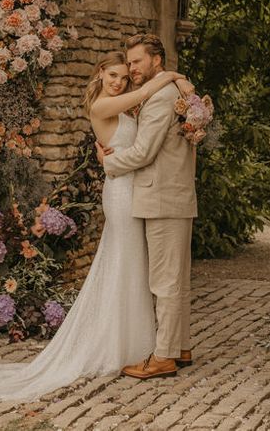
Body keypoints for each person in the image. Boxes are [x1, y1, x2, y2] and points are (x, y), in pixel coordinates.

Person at [0, 51, 192, 403]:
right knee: (124, 264)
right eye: (113, 74)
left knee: (134, 266)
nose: (119, 81)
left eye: (124, 77)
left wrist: (178, 88)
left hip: (134, 187)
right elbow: (145, 97)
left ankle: (141, 342)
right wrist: (168, 77)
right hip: (121, 189)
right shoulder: (103, 105)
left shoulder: (121, 104)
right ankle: (123, 345)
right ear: (99, 74)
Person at [97, 34, 197, 380]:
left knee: (165, 282)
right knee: (177, 279)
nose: (131, 68)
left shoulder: (160, 98)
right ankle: (181, 346)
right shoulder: (177, 91)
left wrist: (108, 164)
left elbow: (143, 152)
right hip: (176, 195)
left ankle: (165, 356)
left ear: (157, 60)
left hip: (161, 198)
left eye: (137, 62)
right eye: (128, 62)